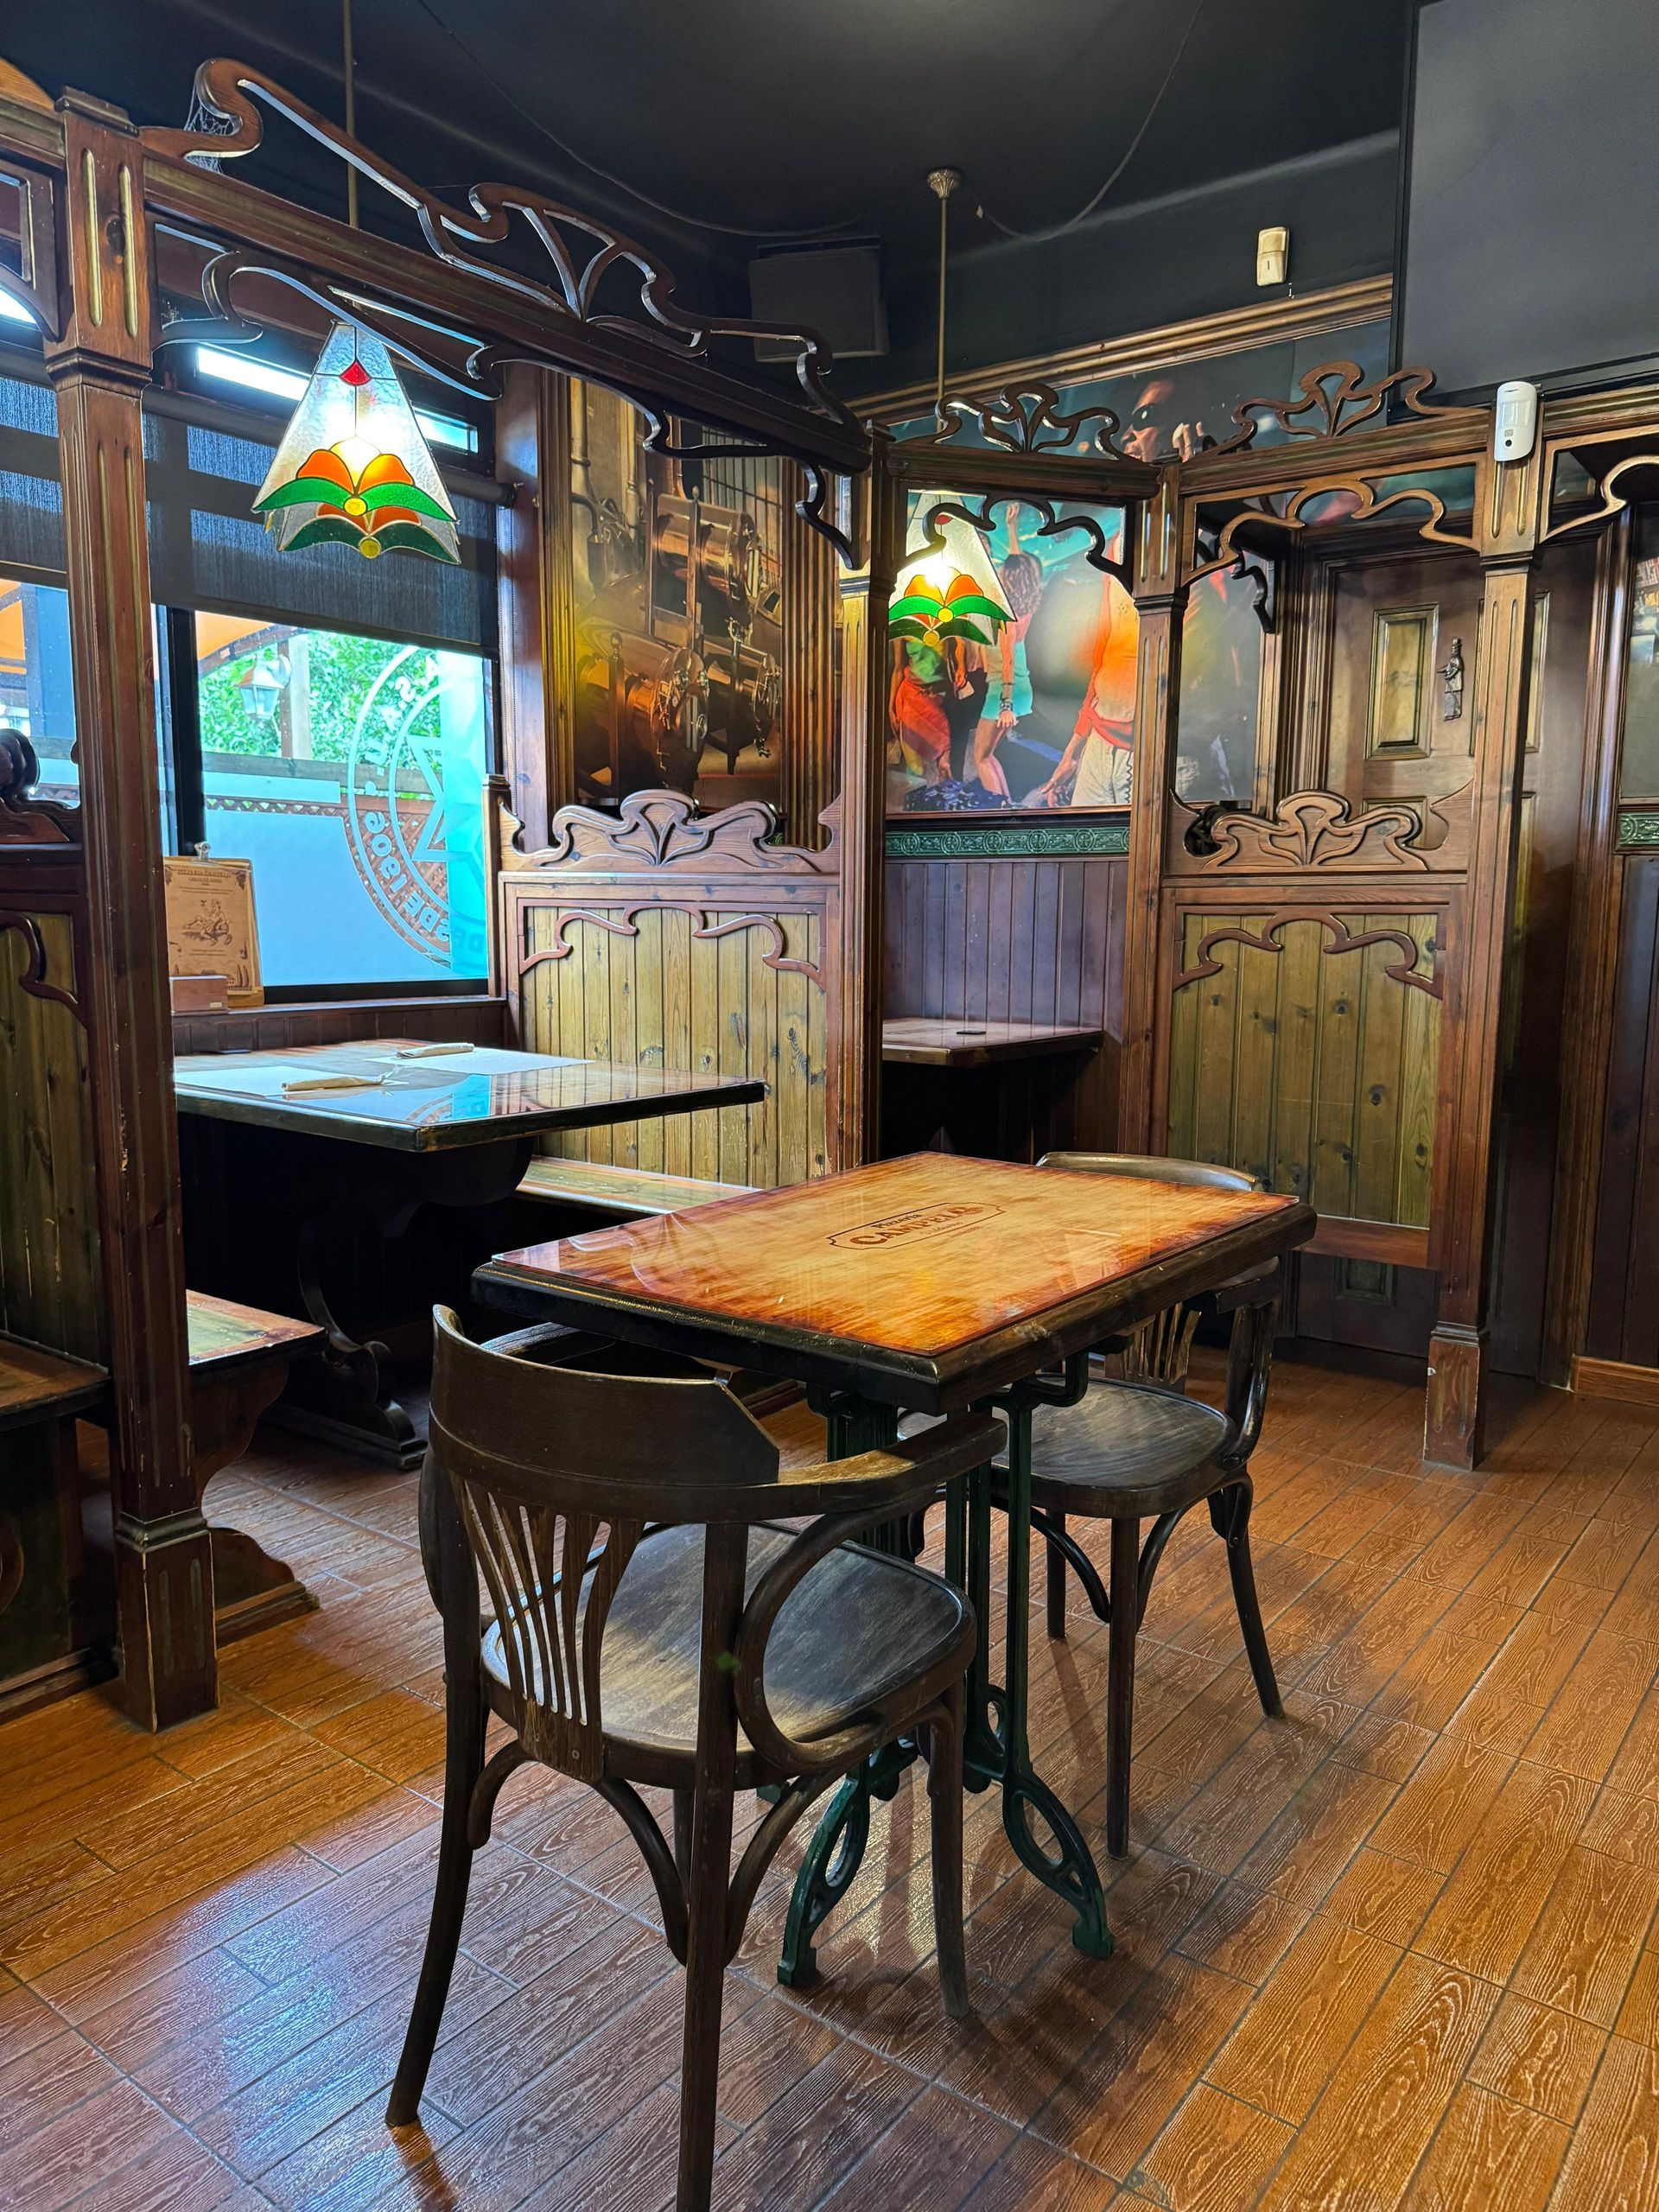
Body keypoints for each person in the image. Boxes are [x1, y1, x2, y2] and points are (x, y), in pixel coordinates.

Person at [1033, 566, 1138, 807]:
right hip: (1099, 745)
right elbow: (1102, 662)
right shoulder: (1114, 551)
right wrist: (1074, 751)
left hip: (1159, 753)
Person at [969, 548, 1044, 800]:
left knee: (979, 757)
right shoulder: (1024, 608)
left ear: (1010, 579)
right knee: (987, 756)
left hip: (1004, 690)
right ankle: (1007, 806)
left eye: (1003, 574)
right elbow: (1022, 563)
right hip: (1019, 688)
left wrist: (1005, 706)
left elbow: (1008, 661)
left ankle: (997, 811)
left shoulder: (1008, 617)